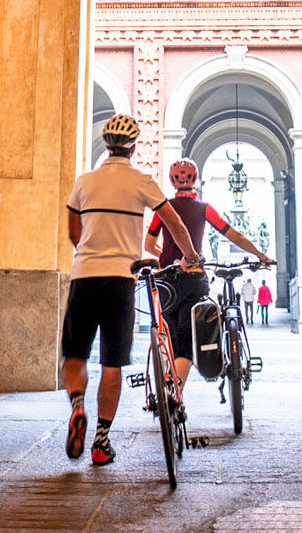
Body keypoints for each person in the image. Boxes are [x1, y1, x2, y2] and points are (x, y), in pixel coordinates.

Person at [63, 114, 202, 466]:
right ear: (134, 147)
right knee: (113, 363)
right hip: (121, 279)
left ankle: (78, 407)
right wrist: (190, 256)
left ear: (105, 145)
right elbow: (175, 224)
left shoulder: (84, 182)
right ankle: (100, 441)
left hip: (85, 275)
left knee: (75, 355)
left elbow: (73, 234)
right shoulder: (142, 181)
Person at [143, 157, 273, 421]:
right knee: (189, 340)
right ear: (196, 181)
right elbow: (232, 235)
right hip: (193, 278)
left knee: (167, 337)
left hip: (166, 280)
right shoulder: (204, 208)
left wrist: (165, 259)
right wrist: (260, 254)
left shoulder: (163, 210)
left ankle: (164, 389)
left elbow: (148, 244)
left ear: (172, 182)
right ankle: (175, 396)